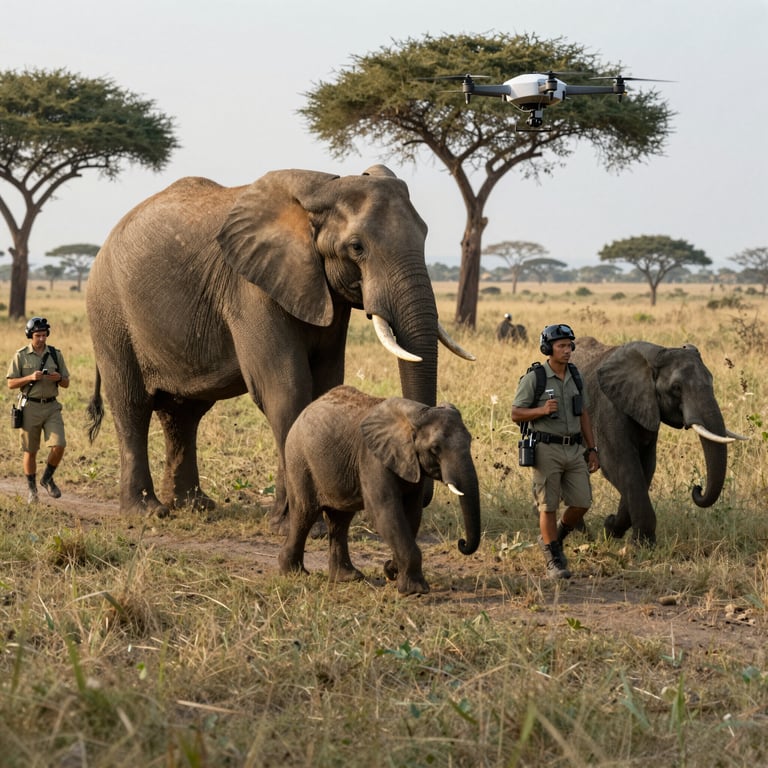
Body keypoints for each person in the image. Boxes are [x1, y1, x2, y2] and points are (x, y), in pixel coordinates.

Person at [511, 323, 599, 579]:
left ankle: (555, 537)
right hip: (546, 448)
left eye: (569, 345)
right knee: (547, 505)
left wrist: (592, 448)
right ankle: (554, 560)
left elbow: (584, 413)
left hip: (574, 448)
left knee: (582, 502)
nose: (567, 350)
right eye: (561, 346)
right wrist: (540, 410)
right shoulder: (535, 378)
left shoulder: (576, 376)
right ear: (548, 349)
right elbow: (516, 413)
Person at [6, 317, 70, 504]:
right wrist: (30, 377)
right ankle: (32, 491)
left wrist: (59, 378)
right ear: (30, 335)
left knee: (60, 445)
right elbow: (11, 383)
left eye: (44, 335)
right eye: (38, 335)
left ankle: (47, 478)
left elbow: (66, 383)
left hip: (51, 406)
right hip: (30, 407)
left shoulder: (55, 354)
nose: (42, 339)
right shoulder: (21, 355)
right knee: (30, 451)